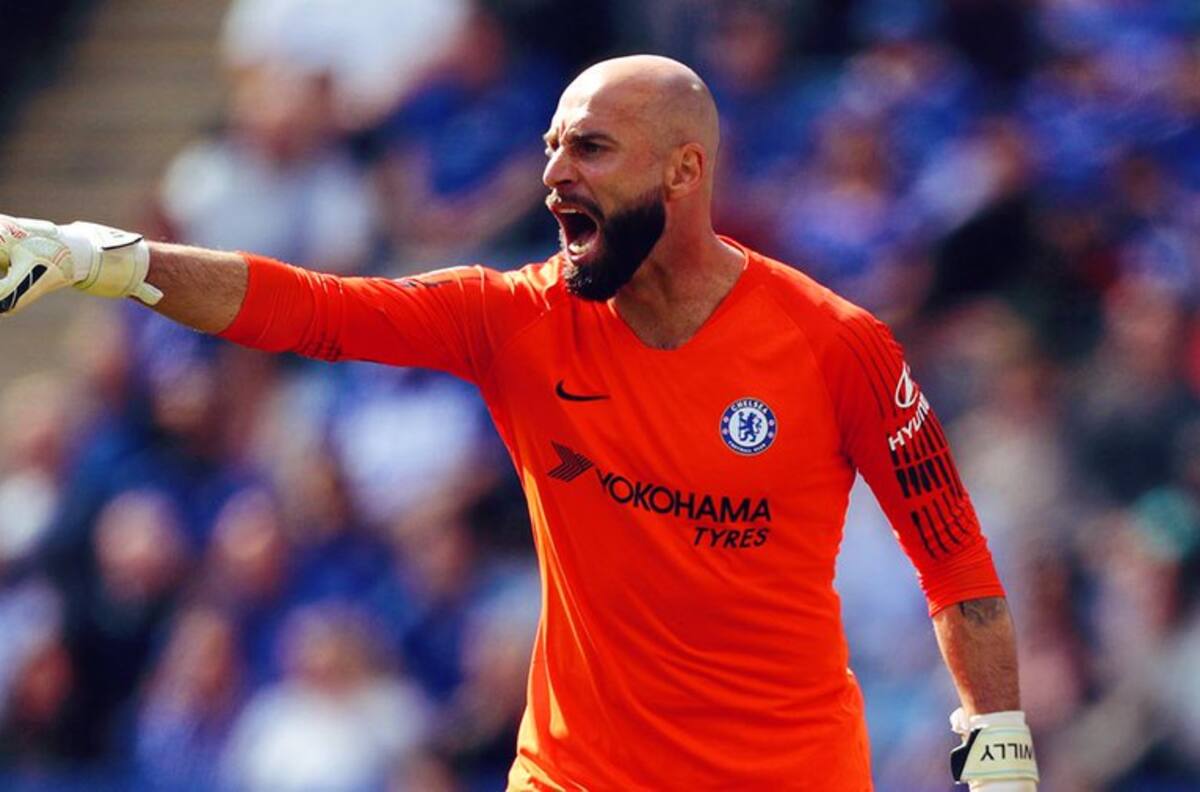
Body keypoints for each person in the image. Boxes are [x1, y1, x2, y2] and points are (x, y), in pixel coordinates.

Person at [0, 55, 1038, 790]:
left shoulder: (836, 343)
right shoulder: (516, 320)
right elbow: (311, 309)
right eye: (551, 148)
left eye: (591, 148)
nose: (553, 175)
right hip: (574, 776)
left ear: (684, 171)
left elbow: (953, 558)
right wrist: (108, 261)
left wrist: (1000, 752)